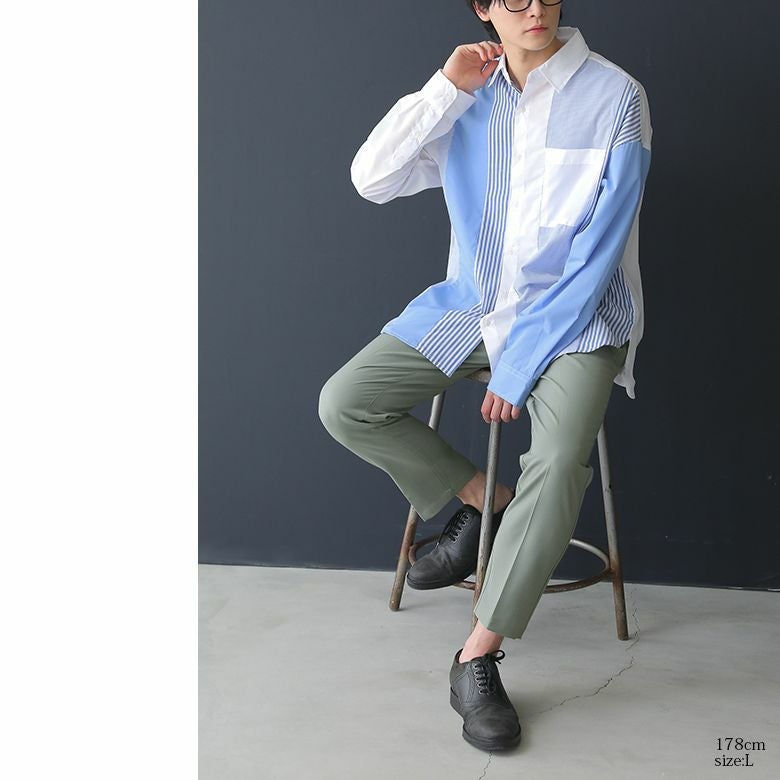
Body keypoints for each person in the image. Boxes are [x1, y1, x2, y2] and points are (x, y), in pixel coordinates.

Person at [319, 0, 652, 754]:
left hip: (576, 322)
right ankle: (486, 503)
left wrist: (522, 362)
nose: (533, 9)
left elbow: (598, 255)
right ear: (482, 8)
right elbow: (371, 179)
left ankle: (477, 653)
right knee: (346, 403)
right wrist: (445, 88)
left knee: (558, 460)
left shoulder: (616, 96)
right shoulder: (469, 95)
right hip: (473, 308)